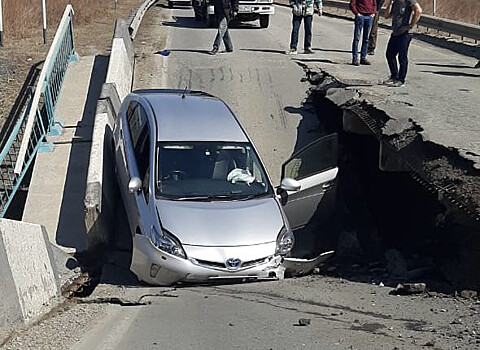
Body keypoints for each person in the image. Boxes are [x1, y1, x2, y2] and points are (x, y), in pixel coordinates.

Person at [383, 0, 422, 87]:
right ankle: (394, 76)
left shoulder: (408, 1)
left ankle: (401, 79)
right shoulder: (395, 2)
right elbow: (386, 16)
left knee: (402, 56)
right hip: (395, 32)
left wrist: (410, 26)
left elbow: (418, 11)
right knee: (390, 54)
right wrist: (389, 3)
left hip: (405, 33)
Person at [350, 0, 376, 66]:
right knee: (356, 38)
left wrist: (373, 13)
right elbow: (352, 4)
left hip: (369, 17)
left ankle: (363, 58)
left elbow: (374, 4)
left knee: (366, 39)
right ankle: (355, 58)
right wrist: (357, 13)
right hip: (360, 16)